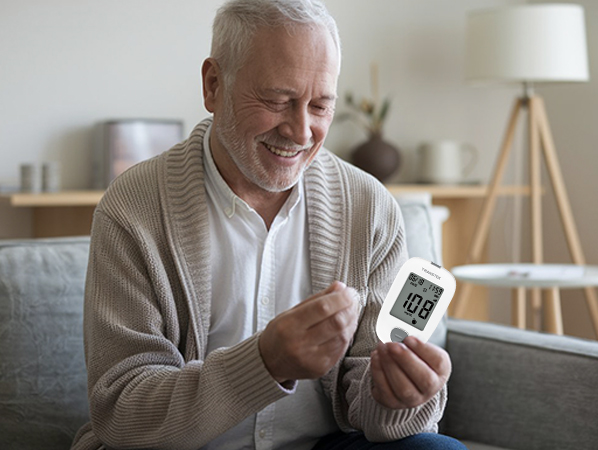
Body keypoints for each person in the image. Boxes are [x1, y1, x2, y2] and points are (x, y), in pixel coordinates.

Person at [71, 1, 467, 449]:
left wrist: (400, 397)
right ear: (213, 85)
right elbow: (123, 415)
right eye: (278, 101)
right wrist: (264, 363)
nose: (301, 132)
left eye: (320, 106)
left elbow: (371, 411)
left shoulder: (368, 205)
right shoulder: (134, 208)